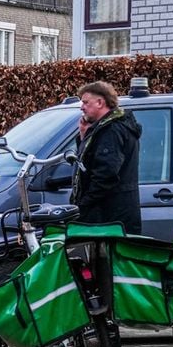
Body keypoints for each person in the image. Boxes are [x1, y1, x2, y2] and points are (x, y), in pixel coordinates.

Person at [72, 80, 142, 234]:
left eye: (85, 102)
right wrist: (84, 137)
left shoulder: (111, 130)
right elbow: (88, 164)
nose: (81, 107)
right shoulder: (108, 128)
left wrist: (84, 204)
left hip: (108, 215)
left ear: (99, 102)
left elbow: (106, 173)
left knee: (106, 257)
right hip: (115, 212)